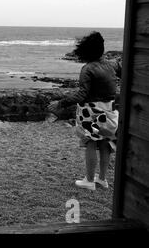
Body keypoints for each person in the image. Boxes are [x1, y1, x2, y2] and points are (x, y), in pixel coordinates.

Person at [48, 31, 121, 191]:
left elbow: (82, 94)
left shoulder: (87, 69)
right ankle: (102, 179)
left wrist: (61, 103)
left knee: (90, 142)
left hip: (92, 112)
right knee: (105, 143)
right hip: (110, 110)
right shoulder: (112, 64)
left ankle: (89, 180)